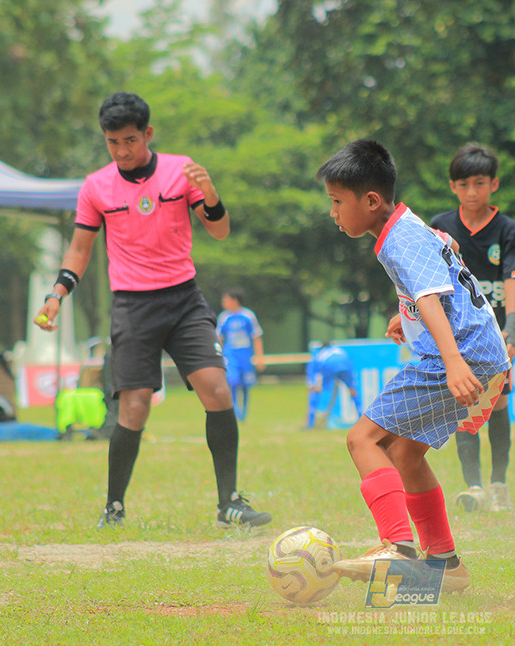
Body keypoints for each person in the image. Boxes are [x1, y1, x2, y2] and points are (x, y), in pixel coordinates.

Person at [34, 92, 271, 530]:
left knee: (216, 391)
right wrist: (57, 294)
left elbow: (219, 231)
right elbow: (80, 248)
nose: (122, 151)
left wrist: (211, 193)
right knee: (135, 408)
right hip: (132, 306)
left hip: (183, 301)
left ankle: (229, 503)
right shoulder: (96, 186)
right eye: (112, 142)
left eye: (129, 140)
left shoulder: (181, 171)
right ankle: (114, 507)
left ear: (148, 133)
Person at [316, 139, 511, 593]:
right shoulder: (408, 225)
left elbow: (429, 294)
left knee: (362, 437)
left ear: (370, 201)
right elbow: (436, 282)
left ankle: (398, 548)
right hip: (485, 351)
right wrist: (408, 315)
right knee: (404, 453)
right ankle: (446, 563)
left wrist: (452, 362)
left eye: (337, 202)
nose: (334, 213)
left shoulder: (399, 238)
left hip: (465, 353)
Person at [429, 143, 515, 513]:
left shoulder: (506, 229)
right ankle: (473, 487)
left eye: (479, 183)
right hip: (458, 334)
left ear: (494, 184)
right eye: (464, 184)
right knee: (465, 403)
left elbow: (513, 281)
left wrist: (513, 326)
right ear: (453, 187)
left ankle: (499, 482)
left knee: (499, 403)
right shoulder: (440, 227)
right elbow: (426, 281)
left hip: (496, 333)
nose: (472, 192)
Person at [216, 289, 265, 421]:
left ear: (234, 300)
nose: (223, 303)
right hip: (230, 356)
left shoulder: (248, 316)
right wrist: (217, 356)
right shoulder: (224, 317)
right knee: (232, 382)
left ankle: (243, 413)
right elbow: (219, 338)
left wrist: (260, 358)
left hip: (245, 356)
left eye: (225, 300)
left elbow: (256, 337)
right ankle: (235, 411)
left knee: (245, 385)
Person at [305, 341, 363, 429]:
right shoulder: (340, 351)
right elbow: (349, 363)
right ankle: (361, 417)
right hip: (345, 366)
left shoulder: (321, 353)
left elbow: (313, 370)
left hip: (329, 366)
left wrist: (313, 385)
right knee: (353, 391)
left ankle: (312, 420)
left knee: (322, 390)